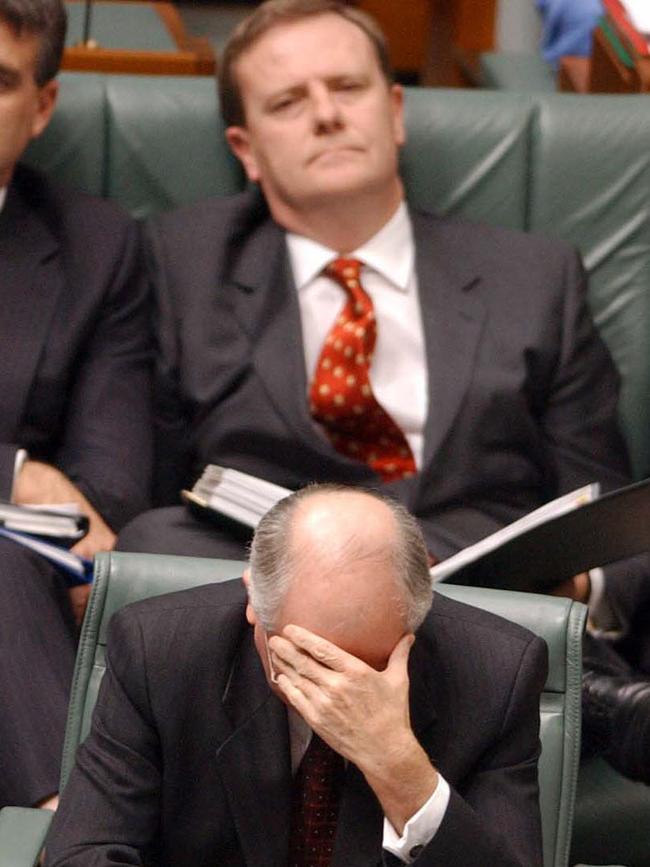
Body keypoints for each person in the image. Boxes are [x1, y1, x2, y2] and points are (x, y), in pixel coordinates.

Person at [116, 0, 649, 781]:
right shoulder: (177, 263)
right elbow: (143, 484)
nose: (326, 115)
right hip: (264, 568)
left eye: (347, 88)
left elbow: (607, 503)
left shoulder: (534, 276)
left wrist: (578, 581)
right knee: (155, 545)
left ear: (395, 111)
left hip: (475, 561)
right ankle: (590, 697)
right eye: (289, 102)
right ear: (247, 148)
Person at [46, 485, 547, 866]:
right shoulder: (161, 653)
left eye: (369, 666)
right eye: (307, 660)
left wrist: (398, 765)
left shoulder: (496, 675)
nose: (337, 692)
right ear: (253, 607)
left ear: (418, 618)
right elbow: (85, 851)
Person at [0, 0, 151, 809]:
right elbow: (45, 495)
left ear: (42, 107)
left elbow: (109, 493)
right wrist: (14, 474)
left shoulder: (96, 247)